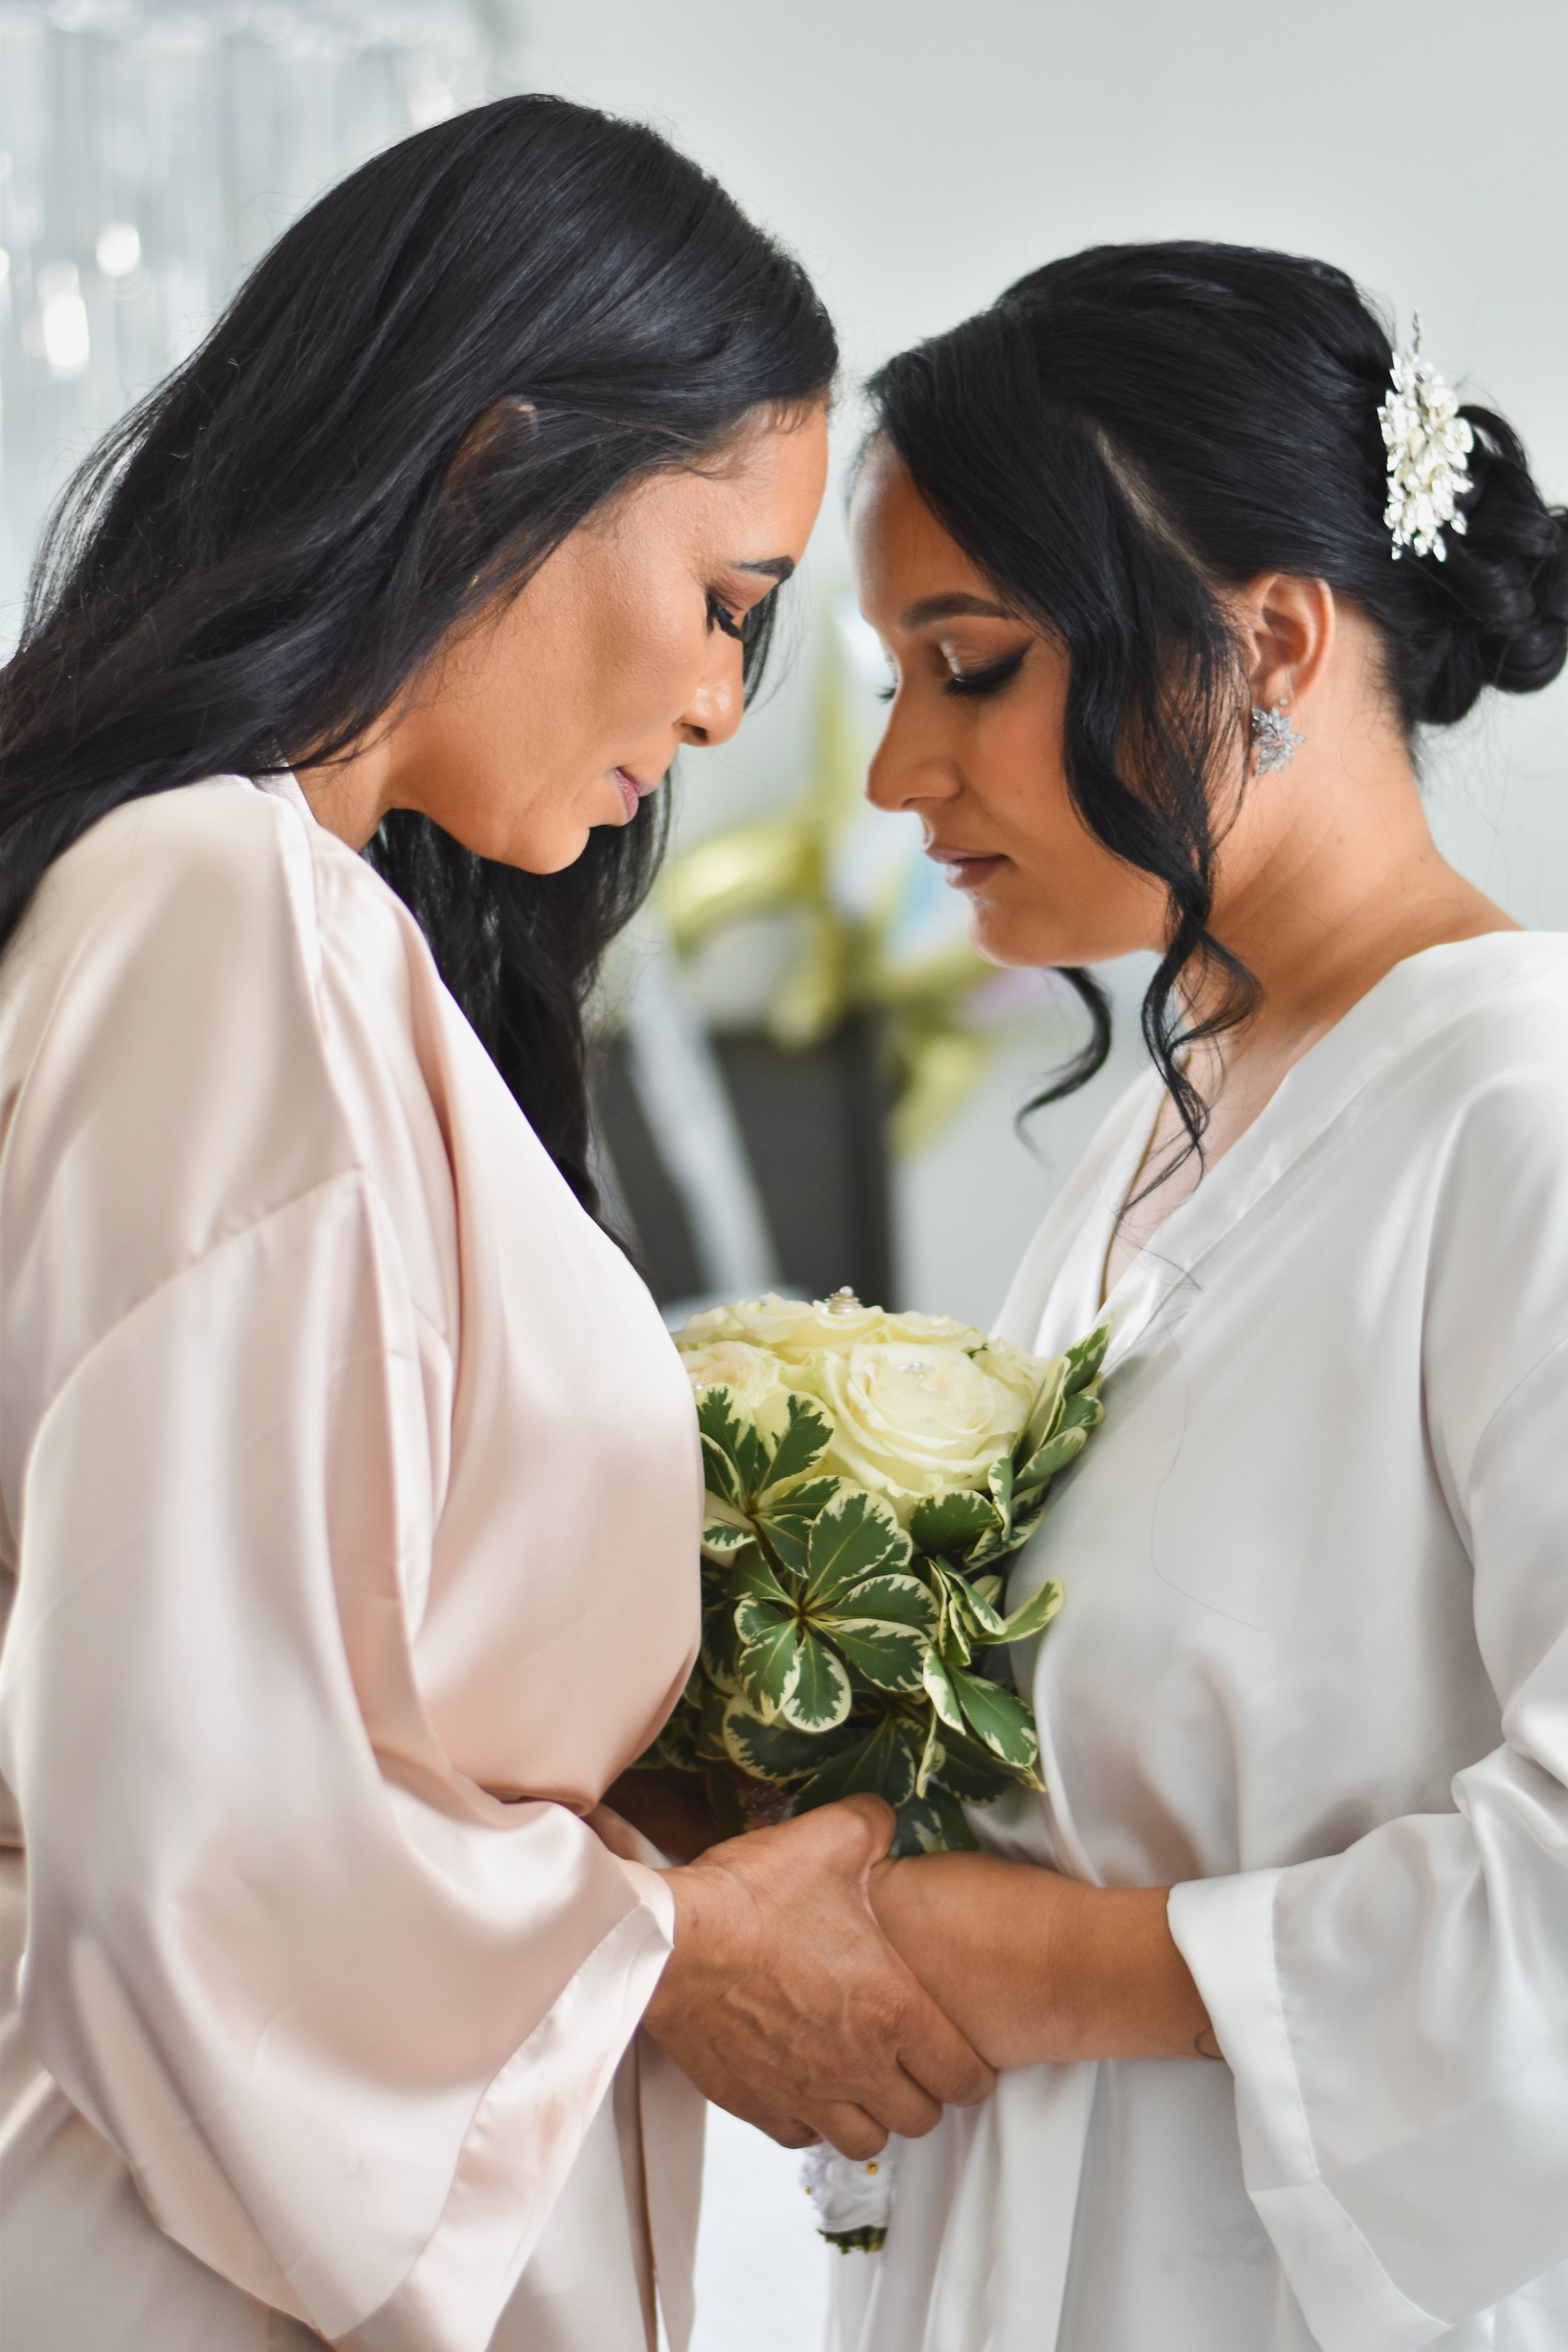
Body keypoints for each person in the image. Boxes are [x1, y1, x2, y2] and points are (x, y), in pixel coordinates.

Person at [0, 96, 992, 2352]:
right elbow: (190, 1810)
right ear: (495, 465)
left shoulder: (303, 930)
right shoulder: (208, 904)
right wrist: (672, 1942)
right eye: (728, 602)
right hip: (187, 2237)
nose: (728, 705)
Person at [842, 242, 1568, 2351]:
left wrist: (1022, 1966)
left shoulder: (1517, 1120)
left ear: (1266, 639)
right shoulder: (1178, 1115)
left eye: (965, 666)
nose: (899, 775)